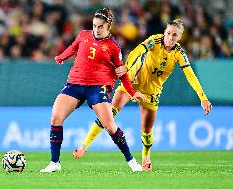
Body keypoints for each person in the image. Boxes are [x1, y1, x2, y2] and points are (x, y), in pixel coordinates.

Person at [73, 19, 213, 171]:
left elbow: (190, 75)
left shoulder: (179, 53)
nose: (170, 38)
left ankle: (146, 156)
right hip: (131, 84)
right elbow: (138, 51)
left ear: (179, 37)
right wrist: (126, 66)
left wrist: (203, 97)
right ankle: (83, 146)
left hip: (151, 93)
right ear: (164, 32)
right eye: (168, 33)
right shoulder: (155, 40)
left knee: (146, 131)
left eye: (175, 35)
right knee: (108, 115)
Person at [40, 7, 146, 173]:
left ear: (108, 27)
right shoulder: (83, 35)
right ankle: (55, 163)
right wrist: (62, 57)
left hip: (97, 87)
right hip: (75, 84)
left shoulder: (113, 47)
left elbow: (121, 72)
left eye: (100, 27)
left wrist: (132, 93)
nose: (96, 29)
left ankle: (132, 161)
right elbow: (73, 47)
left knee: (110, 126)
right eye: (94, 25)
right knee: (55, 118)